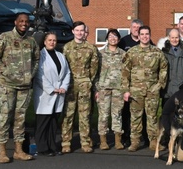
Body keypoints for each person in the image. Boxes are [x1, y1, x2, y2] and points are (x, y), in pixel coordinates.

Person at [0, 12, 40, 163]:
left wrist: (31, 74)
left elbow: (37, 59)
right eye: (21, 21)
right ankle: (2, 151)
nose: (24, 24)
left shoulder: (31, 41)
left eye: (26, 22)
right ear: (15, 22)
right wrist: (6, 72)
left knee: (21, 118)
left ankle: (19, 150)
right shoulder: (4, 38)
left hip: (24, 86)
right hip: (7, 85)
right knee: (5, 116)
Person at [122, 25, 168, 152]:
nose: (144, 36)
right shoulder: (131, 52)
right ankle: (135, 142)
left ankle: (153, 142)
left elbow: (163, 69)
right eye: (142, 34)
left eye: (147, 34)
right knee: (135, 117)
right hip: (135, 91)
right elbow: (125, 72)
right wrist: (125, 90)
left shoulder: (157, 52)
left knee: (152, 117)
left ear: (150, 35)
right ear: (138, 35)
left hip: (152, 91)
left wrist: (159, 85)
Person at [60, 21, 100, 154]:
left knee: (85, 115)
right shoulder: (67, 47)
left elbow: (94, 68)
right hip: (70, 85)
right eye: (77, 30)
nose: (79, 33)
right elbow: (63, 67)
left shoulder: (91, 48)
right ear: (73, 31)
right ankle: (66, 142)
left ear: (85, 32)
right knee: (68, 115)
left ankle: (85, 142)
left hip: (84, 85)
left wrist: (88, 81)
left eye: (82, 30)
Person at [33, 32, 70, 156]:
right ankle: (42, 148)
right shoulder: (40, 56)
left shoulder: (60, 56)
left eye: (54, 40)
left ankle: (52, 146)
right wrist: (52, 89)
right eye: (49, 40)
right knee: (43, 123)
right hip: (45, 94)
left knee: (53, 123)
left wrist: (64, 87)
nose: (52, 42)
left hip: (59, 94)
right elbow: (39, 76)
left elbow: (67, 73)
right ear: (44, 42)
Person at [96, 28, 126, 150]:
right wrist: (96, 89)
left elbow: (126, 72)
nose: (113, 39)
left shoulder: (124, 54)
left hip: (118, 89)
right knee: (103, 115)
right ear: (107, 39)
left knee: (117, 114)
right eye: (110, 37)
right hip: (103, 88)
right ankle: (103, 140)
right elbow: (95, 72)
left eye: (115, 37)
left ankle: (117, 140)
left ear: (118, 39)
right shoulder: (100, 54)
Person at [161, 28, 183, 100]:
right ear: (169, 38)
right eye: (172, 38)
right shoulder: (164, 52)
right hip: (168, 89)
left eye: (176, 37)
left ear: (179, 38)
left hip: (182, 88)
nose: (174, 40)